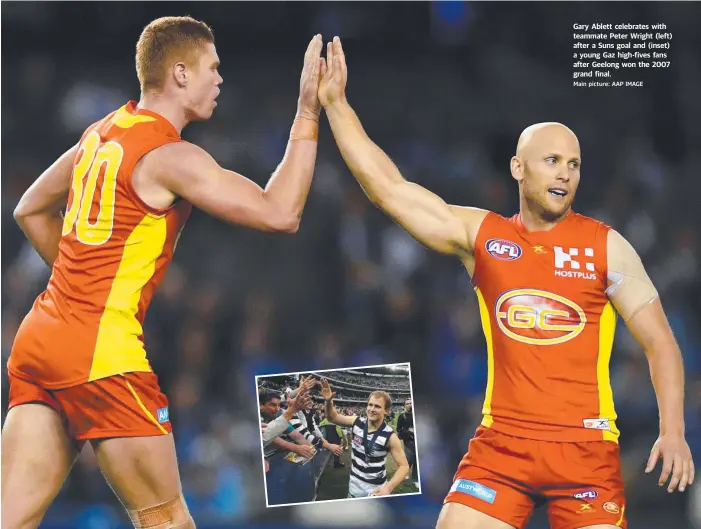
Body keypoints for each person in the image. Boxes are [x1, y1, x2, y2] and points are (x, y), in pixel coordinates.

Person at [318, 37, 695, 529]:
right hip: (504, 447)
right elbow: (390, 191)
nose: (565, 173)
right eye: (552, 161)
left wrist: (673, 431)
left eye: (574, 164)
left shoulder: (607, 246)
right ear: (518, 168)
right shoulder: (484, 236)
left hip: (584, 450)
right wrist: (336, 104)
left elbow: (661, 344)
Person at [3, 16, 326, 529]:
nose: (220, 79)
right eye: (212, 68)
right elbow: (279, 212)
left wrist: (84, 283)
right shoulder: (169, 154)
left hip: (41, 340)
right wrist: (309, 110)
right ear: (179, 73)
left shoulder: (101, 132)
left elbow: (29, 209)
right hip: (100, 353)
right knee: (167, 519)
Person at [320, 378, 410, 498]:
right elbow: (332, 417)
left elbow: (404, 466)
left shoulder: (390, 436)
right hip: (354, 484)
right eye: (370, 405)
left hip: (376, 489)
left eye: (377, 406)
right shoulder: (356, 421)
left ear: (387, 411)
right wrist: (328, 401)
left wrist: (388, 488)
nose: (371, 409)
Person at [396, 397, 418, 488]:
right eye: (407, 403)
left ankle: (415, 479)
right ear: (404, 406)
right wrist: (409, 431)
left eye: (411, 403)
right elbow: (398, 430)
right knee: (408, 459)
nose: (409, 405)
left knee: (417, 461)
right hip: (408, 441)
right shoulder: (402, 416)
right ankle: (404, 474)